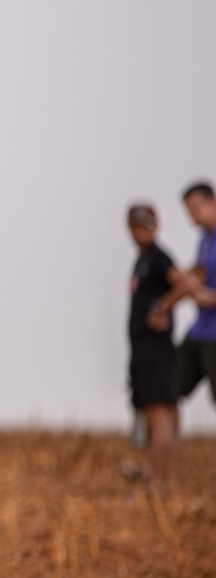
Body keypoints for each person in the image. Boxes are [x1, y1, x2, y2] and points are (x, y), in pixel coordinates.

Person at [123, 204, 183, 496]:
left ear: (156, 226)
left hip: (155, 352)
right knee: (157, 416)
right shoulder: (143, 260)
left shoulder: (159, 258)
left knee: (159, 416)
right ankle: (159, 479)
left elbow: (184, 284)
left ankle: (158, 484)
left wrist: (162, 307)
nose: (140, 232)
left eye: (145, 226)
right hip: (145, 352)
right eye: (136, 227)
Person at [149, 181, 216, 413]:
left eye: (196, 207)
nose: (192, 215)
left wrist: (212, 297)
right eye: (188, 209)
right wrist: (167, 302)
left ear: (213, 202)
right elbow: (197, 277)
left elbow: (205, 291)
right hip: (200, 330)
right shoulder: (205, 240)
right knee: (167, 388)